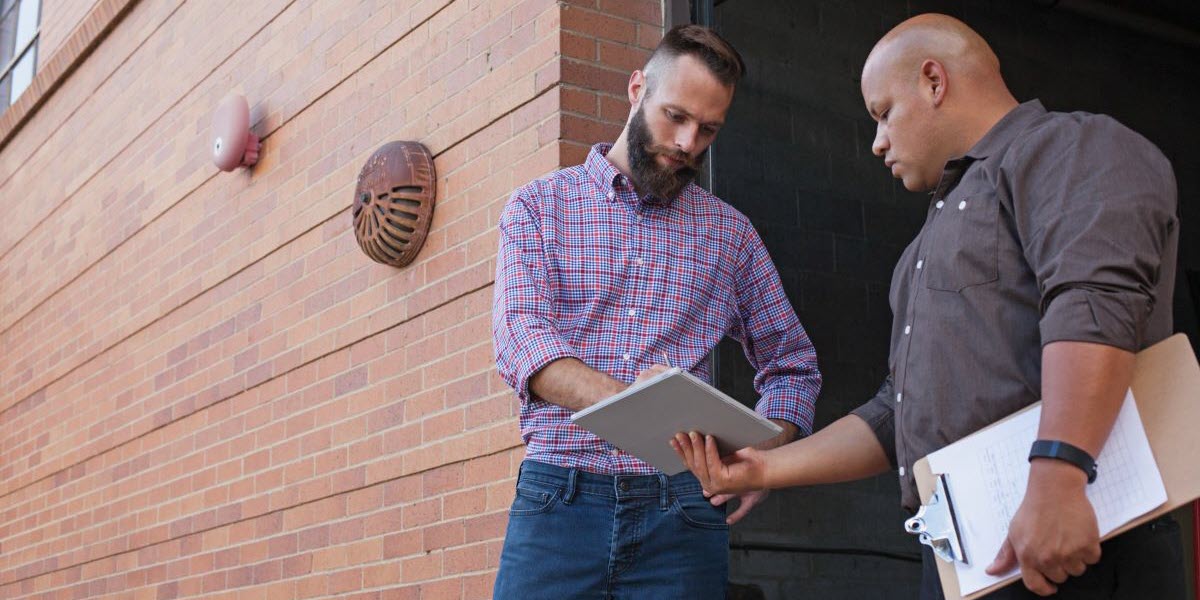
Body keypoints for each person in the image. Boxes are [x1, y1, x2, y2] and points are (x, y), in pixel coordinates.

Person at [673, 13, 1185, 599]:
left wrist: (1059, 474)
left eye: (883, 112)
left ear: (934, 81)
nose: (877, 141)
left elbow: (1093, 304)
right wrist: (764, 468)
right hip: (963, 558)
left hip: (1070, 536)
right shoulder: (920, 250)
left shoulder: (1069, 146)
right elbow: (899, 414)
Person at [490, 23, 821, 599]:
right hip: (558, 505)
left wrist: (759, 457)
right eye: (676, 116)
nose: (689, 142)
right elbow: (523, 339)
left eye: (708, 129)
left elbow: (793, 363)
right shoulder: (538, 207)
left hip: (683, 513)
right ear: (637, 88)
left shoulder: (732, 236)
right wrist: (637, 406)